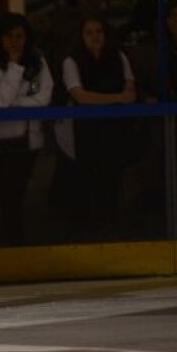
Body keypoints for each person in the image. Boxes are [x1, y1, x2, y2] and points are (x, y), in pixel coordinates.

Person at [0, 13, 53, 245]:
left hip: (29, 138)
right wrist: (15, 67)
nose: (14, 42)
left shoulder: (38, 60)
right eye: (9, 36)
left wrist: (15, 104)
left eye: (19, 36)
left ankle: (16, 242)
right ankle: (12, 243)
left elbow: (44, 97)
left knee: (20, 194)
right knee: (5, 195)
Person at [57, 17, 137, 238]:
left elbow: (130, 95)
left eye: (99, 31)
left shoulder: (119, 57)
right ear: (80, 37)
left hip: (115, 133)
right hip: (85, 134)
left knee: (111, 186)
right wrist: (116, 98)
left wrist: (112, 98)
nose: (95, 36)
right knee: (85, 187)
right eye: (88, 32)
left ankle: (111, 234)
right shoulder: (71, 61)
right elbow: (80, 96)